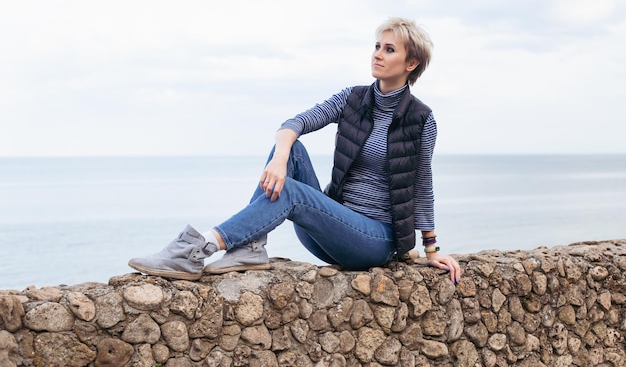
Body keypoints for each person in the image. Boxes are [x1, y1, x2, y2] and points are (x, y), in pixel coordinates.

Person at [128, 17, 462, 284]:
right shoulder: (353, 99)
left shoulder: (421, 119)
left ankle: (200, 248)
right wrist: (280, 156)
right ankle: (251, 247)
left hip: (374, 240)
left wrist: (431, 250)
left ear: (411, 62)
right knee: (292, 148)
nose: (377, 53)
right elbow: (295, 123)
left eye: (389, 49)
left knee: (291, 191)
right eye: (377, 46)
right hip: (332, 226)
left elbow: (422, 186)